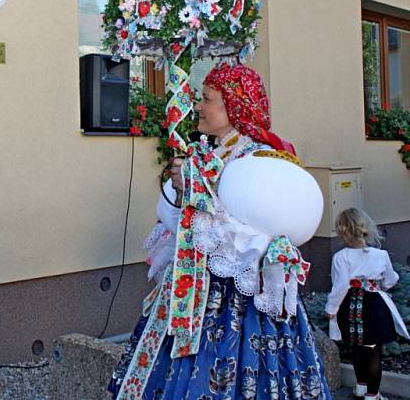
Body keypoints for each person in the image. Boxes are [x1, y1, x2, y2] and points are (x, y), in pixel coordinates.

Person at [108, 62, 332, 399]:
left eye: (207, 99)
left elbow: (254, 234)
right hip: (200, 292)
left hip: (241, 301)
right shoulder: (207, 157)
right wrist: (184, 189)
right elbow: (181, 222)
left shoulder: (261, 161)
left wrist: (197, 195)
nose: (198, 106)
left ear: (234, 106)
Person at [325, 208, 408, 399]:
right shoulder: (381, 255)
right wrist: (380, 284)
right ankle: (372, 394)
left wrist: (331, 308)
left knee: (356, 347)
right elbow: (390, 280)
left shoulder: (341, 257)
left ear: (343, 232)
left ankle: (361, 385)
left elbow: (340, 286)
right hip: (374, 306)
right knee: (373, 352)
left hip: (350, 306)